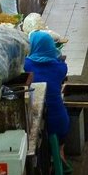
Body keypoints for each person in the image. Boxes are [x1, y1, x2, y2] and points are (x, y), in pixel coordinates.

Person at [24, 31, 70, 163]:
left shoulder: (26, 65)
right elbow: (58, 60)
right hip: (60, 124)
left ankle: (47, 160)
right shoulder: (60, 68)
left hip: (38, 127)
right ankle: (59, 151)